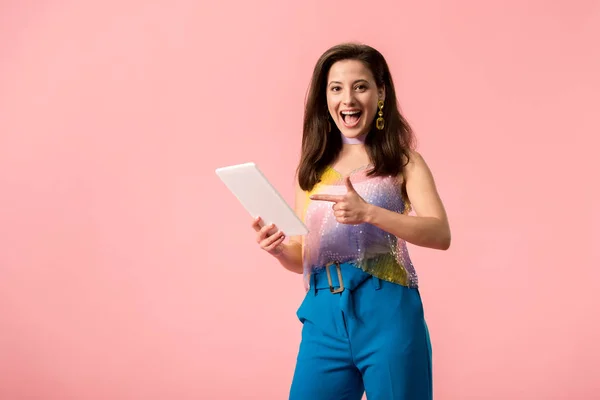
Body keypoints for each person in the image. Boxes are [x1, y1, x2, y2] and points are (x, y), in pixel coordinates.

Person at [251, 42, 451, 400]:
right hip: (322, 315)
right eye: (336, 88)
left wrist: (370, 213)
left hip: (387, 310)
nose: (349, 99)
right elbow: (302, 255)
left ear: (381, 93)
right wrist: (280, 250)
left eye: (360, 86)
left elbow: (440, 233)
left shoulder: (404, 162)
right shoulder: (311, 170)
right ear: (324, 98)